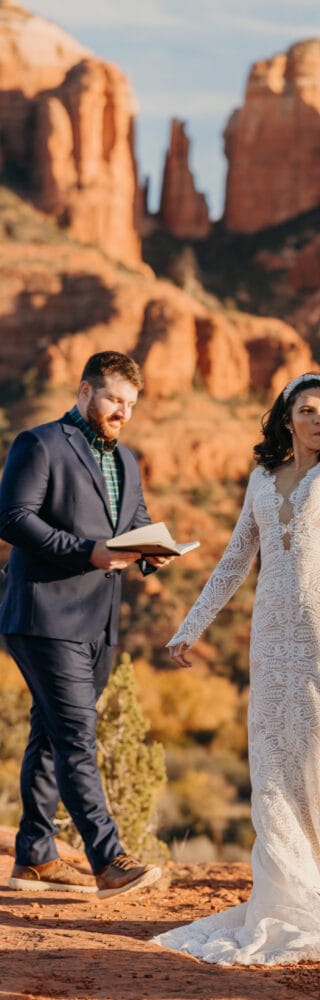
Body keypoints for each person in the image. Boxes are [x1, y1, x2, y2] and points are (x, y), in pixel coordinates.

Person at [152, 277, 320, 966]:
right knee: (271, 759)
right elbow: (233, 561)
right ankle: (284, 891)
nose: (319, 419)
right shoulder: (259, 481)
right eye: (306, 409)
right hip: (271, 634)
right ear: (285, 418)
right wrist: (191, 627)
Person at [0, 351, 168, 898]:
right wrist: (85, 552)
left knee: (50, 734)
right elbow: (13, 517)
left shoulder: (129, 460)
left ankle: (35, 858)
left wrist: (151, 551)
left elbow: (134, 523)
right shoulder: (40, 443)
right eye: (115, 399)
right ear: (84, 392)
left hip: (100, 622)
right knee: (76, 735)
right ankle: (108, 860)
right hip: (43, 612)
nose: (123, 411)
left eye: (131, 404)